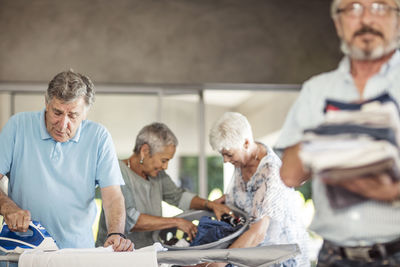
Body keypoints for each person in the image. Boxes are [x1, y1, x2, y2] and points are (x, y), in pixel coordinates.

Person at [275, 0, 400, 265]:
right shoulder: (316, 90)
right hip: (333, 257)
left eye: (380, 7)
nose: (366, 19)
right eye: (353, 8)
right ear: (339, 23)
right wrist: (337, 132)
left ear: (397, 20)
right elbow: (290, 174)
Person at [0, 70, 133, 252]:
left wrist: (115, 234)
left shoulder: (99, 137)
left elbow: (112, 197)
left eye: (72, 115)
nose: (63, 125)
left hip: (76, 253)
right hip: (22, 252)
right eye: (57, 112)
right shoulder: (17, 126)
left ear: (85, 113)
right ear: (46, 103)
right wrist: (8, 207)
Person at [96, 122, 232, 249]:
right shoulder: (118, 171)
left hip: (146, 254)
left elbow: (178, 196)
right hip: (115, 255)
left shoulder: (156, 174)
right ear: (145, 151)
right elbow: (130, 219)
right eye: (163, 160)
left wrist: (211, 205)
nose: (165, 166)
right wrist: (176, 222)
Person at [206, 112, 309, 267]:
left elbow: (258, 233)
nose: (225, 160)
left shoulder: (270, 172)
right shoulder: (242, 162)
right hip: (253, 255)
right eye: (222, 155)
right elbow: (250, 198)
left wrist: (219, 262)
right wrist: (226, 200)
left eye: (228, 154)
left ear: (246, 143)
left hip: (280, 258)